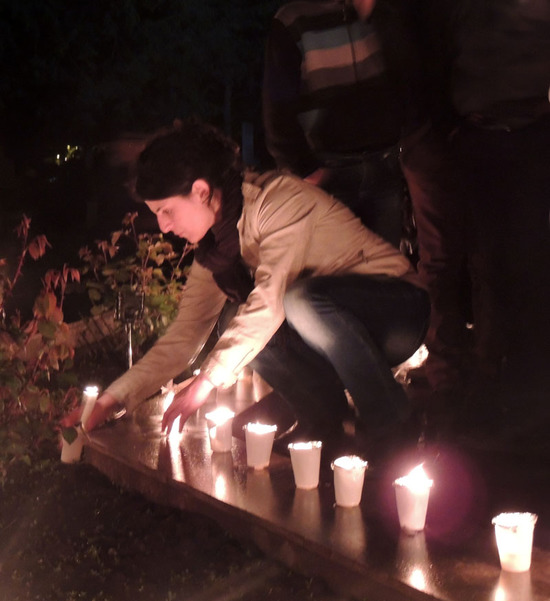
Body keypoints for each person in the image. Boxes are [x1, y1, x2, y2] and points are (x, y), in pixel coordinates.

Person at [64, 119, 430, 461]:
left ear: (201, 191)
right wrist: (111, 401)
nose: (163, 226)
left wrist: (203, 384)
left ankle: (392, 423)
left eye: (167, 211)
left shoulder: (278, 202)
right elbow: (185, 335)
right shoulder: (218, 250)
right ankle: (323, 421)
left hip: (397, 313)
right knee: (235, 321)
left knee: (297, 301)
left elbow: (269, 303)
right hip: (336, 330)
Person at [402, 0, 550, 442]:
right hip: (461, 131)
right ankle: (458, 382)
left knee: (507, 262)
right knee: (451, 261)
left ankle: (498, 381)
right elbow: (431, 47)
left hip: (524, 131)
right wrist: (440, 127)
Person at [262, 0, 424, 249]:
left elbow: (407, 71)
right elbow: (277, 107)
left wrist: (378, 14)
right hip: (328, 173)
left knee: (384, 267)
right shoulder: (292, 20)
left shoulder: (376, 8)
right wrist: (302, 167)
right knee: (336, 268)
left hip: (383, 165)